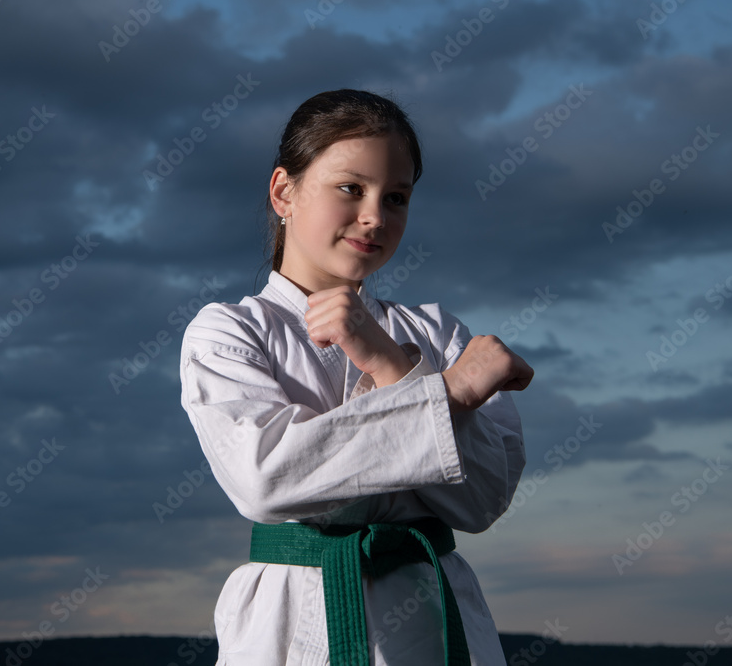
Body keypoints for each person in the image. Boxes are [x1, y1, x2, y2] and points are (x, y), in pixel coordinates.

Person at [178, 89, 533, 666]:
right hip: (292, 621)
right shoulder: (228, 331)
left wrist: (393, 365)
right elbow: (264, 476)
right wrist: (446, 392)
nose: (375, 216)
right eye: (350, 188)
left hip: (434, 619)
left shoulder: (437, 333)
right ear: (283, 192)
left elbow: (484, 500)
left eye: (396, 197)